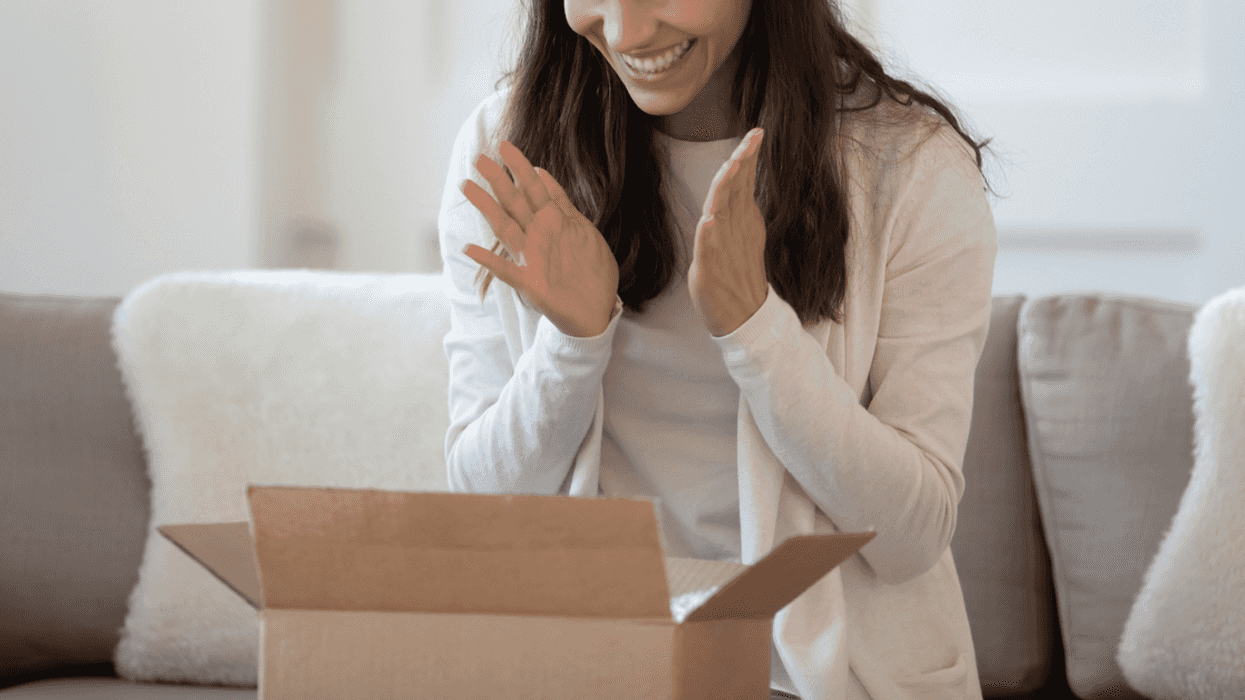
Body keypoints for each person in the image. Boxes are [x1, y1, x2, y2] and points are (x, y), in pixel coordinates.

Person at [438, 0, 998, 697]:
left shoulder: (910, 167)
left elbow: (912, 535)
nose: (626, 33)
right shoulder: (508, 150)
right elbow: (484, 505)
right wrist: (570, 345)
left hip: (822, 680)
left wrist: (756, 331)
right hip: (596, 667)